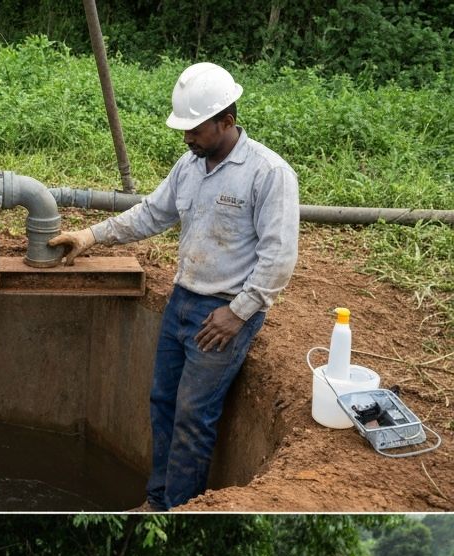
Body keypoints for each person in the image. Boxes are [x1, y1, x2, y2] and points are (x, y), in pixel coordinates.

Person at [50, 63, 299, 511]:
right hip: (183, 300)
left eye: (196, 129)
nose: (188, 138)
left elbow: (279, 257)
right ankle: (156, 500)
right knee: (163, 401)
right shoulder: (190, 165)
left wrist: (238, 312)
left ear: (226, 120)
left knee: (192, 417)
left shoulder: (267, 173)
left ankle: (178, 510)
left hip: (223, 312)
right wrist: (89, 237)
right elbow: (151, 214)